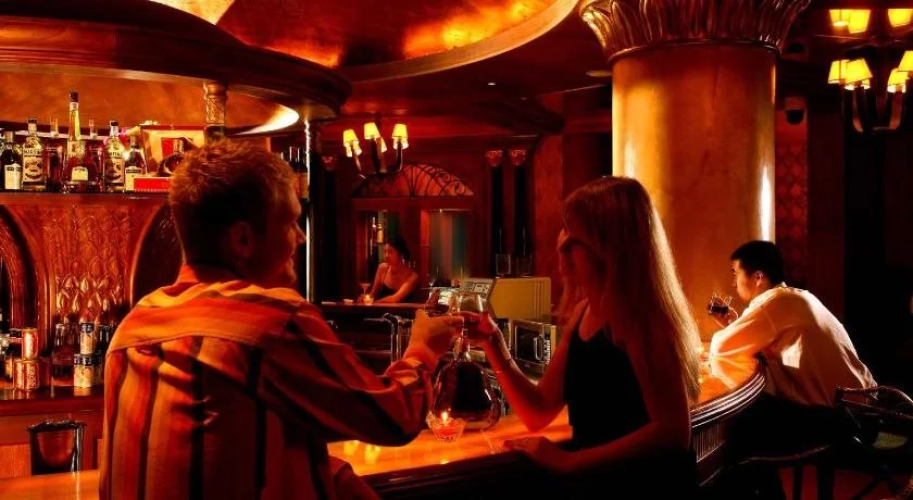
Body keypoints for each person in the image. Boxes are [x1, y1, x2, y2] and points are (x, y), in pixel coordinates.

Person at [99, 141, 461, 499]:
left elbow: (220, 451)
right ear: (243, 239)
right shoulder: (271, 319)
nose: (301, 238)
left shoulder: (134, 325)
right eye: (289, 223)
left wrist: (332, 476)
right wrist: (424, 350)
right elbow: (395, 417)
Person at [464, 176, 702, 495]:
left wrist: (570, 461)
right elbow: (538, 410)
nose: (561, 245)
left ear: (610, 250)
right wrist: (493, 341)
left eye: (575, 239)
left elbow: (673, 432)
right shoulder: (583, 313)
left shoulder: (642, 318)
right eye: (565, 231)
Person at [709, 240, 876, 456]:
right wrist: (735, 325)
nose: (734, 283)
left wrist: (732, 332)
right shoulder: (798, 296)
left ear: (758, 277)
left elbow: (720, 347)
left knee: (742, 422)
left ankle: (757, 477)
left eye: (735, 274)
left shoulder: (774, 302)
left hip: (846, 423)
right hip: (867, 408)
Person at [365, 235, 419, 304]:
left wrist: (374, 303)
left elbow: (395, 299)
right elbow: (373, 294)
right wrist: (365, 298)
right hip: (382, 310)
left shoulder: (412, 276)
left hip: (403, 311)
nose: (386, 256)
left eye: (390, 252)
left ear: (401, 254)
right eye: (385, 252)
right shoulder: (382, 268)